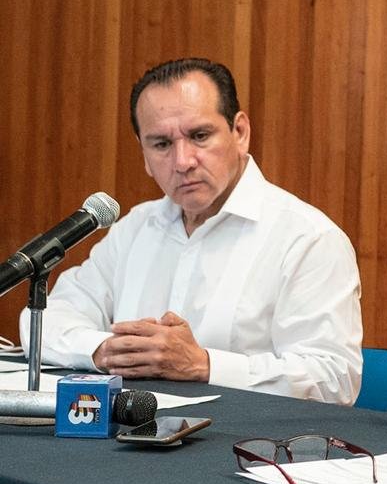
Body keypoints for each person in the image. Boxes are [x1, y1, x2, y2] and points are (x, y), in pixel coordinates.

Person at [19, 58, 363, 404]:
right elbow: (44, 322)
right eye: (162, 144)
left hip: (248, 446)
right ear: (144, 156)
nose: (182, 161)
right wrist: (103, 351)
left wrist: (205, 365)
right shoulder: (136, 228)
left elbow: (334, 379)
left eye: (199, 136)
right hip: (131, 437)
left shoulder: (308, 237)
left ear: (240, 132)